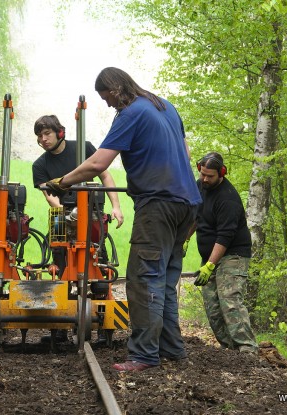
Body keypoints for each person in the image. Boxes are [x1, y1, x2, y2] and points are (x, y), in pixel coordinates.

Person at [46, 67, 201, 371]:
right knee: (166, 280)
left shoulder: (130, 113)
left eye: (108, 99)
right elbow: (185, 150)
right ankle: (171, 348)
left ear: (116, 90)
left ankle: (144, 354)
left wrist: (62, 182)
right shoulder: (165, 105)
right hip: (189, 205)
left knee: (144, 279)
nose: (108, 105)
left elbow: (98, 162)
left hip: (159, 205)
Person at [32, 114, 124, 344]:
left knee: (99, 269)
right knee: (61, 272)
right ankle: (60, 327)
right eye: (39, 136)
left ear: (59, 132)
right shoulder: (40, 165)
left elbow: (104, 175)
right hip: (64, 221)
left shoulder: (84, 148)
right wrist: (68, 214)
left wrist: (115, 206)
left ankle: (104, 327)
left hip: (93, 219)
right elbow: (50, 196)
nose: (43, 139)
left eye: (47, 134)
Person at [188, 152, 258, 354]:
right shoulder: (200, 185)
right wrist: (185, 239)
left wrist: (210, 266)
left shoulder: (228, 199)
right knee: (212, 306)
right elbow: (196, 215)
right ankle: (229, 349)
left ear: (222, 173)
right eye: (202, 174)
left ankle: (247, 349)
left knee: (229, 301)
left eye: (210, 176)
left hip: (232, 254)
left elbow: (225, 237)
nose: (204, 179)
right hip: (209, 255)